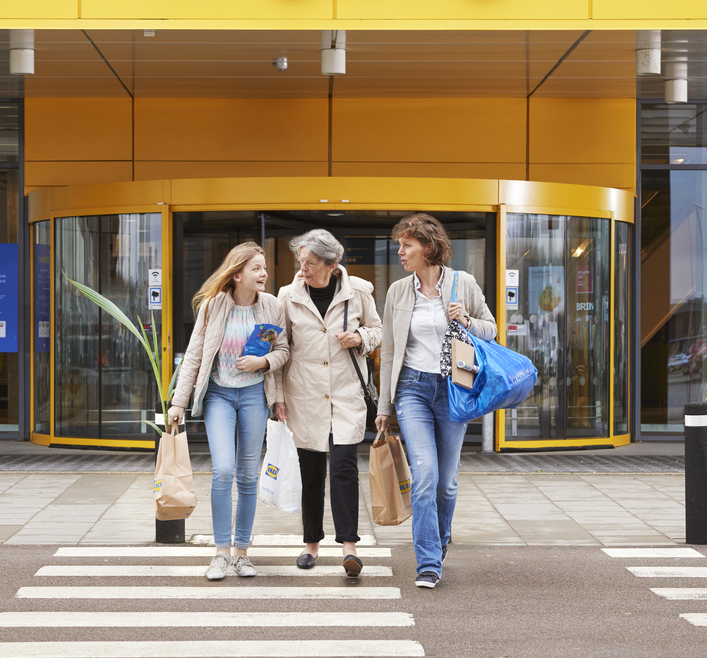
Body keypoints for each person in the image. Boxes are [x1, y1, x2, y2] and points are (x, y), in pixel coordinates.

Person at [375, 214, 496, 589]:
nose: (400, 252)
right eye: (400, 246)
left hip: (453, 388)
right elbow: (390, 352)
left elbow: (491, 330)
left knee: (446, 483)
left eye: (406, 245)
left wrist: (468, 321)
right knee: (424, 474)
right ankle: (428, 562)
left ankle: (440, 539)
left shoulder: (464, 284)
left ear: (428, 247)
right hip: (411, 388)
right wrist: (383, 408)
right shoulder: (398, 291)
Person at [168, 243, 288, 581]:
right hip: (219, 396)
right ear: (237, 275)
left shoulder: (271, 306)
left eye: (264, 268)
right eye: (256, 269)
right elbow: (193, 356)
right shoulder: (214, 306)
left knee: (248, 476)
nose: (264, 274)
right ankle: (220, 551)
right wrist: (179, 401)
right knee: (223, 470)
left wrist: (263, 361)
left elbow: (282, 350)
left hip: (253, 396)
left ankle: (242, 553)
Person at [273, 229, 383, 577]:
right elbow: (281, 347)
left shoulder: (360, 291)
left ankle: (349, 546)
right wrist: (276, 398)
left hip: (346, 395)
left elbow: (378, 330)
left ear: (332, 265)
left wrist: (361, 337)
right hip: (303, 394)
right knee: (311, 473)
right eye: (301, 261)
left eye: (310, 262)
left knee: (344, 468)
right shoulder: (287, 297)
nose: (303, 268)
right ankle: (311, 544)